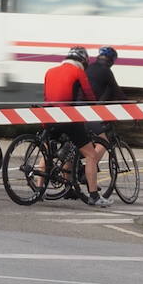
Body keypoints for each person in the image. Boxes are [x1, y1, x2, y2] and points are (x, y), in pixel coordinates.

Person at [44, 46, 106, 206]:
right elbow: (89, 96)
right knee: (91, 155)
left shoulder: (50, 71)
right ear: (84, 61)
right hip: (67, 119)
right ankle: (94, 196)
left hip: (48, 118)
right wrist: (96, 109)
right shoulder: (78, 72)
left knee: (45, 153)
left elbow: (47, 96)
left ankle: (39, 190)